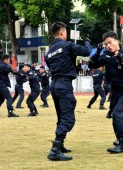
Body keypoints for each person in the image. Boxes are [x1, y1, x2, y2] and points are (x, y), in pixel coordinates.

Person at [45, 22, 92, 161]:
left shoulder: (49, 52)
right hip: (64, 85)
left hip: (54, 85)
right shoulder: (67, 45)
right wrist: (87, 42)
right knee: (68, 118)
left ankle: (60, 146)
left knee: (61, 117)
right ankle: (55, 150)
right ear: (61, 33)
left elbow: (58, 66)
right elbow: (86, 52)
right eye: (65, 32)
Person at [88, 31, 123, 154]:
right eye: (105, 44)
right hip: (114, 91)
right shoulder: (106, 55)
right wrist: (97, 52)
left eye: (110, 42)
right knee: (115, 114)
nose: (108, 46)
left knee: (117, 115)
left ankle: (122, 144)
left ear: (117, 41)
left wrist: (120, 60)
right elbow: (91, 64)